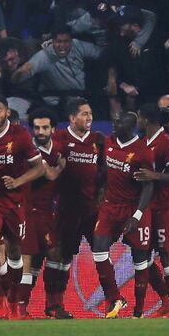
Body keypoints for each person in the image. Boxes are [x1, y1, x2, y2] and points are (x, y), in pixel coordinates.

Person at [0, 96, 45, 319]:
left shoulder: (20, 135)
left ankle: (14, 300)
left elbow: (39, 168)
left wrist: (18, 182)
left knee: (15, 254)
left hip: (14, 202)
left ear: (7, 112)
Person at [93, 111, 154, 319]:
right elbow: (105, 169)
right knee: (99, 250)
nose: (114, 123)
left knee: (140, 259)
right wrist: (100, 190)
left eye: (119, 122)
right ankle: (115, 298)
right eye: (114, 120)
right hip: (110, 207)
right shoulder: (109, 141)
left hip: (133, 209)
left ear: (131, 126)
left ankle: (138, 312)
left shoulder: (142, 152)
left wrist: (137, 215)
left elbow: (148, 186)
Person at [53, 98, 106, 317]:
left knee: (102, 254)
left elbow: (104, 170)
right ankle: (57, 304)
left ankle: (114, 300)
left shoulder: (98, 140)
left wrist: (101, 195)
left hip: (91, 210)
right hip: (67, 210)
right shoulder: (60, 138)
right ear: (72, 118)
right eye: (84, 114)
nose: (89, 118)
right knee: (63, 257)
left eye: (90, 113)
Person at [136, 103, 169, 318]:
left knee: (166, 254)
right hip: (147, 207)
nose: (137, 120)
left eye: (138, 116)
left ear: (146, 119)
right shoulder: (143, 142)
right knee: (142, 254)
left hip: (165, 208)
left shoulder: (167, 142)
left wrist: (154, 176)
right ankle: (165, 300)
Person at [19, 107, 66, 318]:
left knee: (54, 254)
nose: (40, 131)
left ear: (53, 129)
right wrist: (60, 169)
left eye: (45, 127)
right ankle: (19, 308)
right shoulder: (29, 151)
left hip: (47, 213)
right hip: (28, 212)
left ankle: (53, 305)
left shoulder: (57, 151)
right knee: (27, 260)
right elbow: (51, 175)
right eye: (36, 127)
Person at [11, 26, 102, 108]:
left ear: (71, 40)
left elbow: (101, 54)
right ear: (53, 41)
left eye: (66, 41)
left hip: (79, 98)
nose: (62, 45)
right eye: (59, 42)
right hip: (54, 102)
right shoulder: (44, 56)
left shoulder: (78, 45)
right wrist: (20, 72)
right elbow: (16, 79)